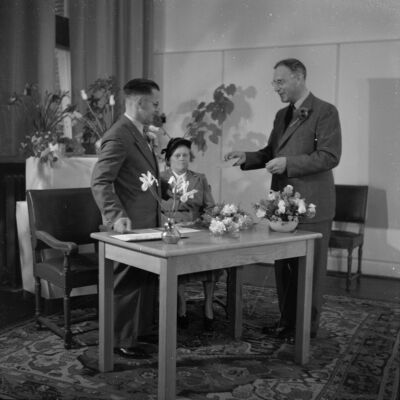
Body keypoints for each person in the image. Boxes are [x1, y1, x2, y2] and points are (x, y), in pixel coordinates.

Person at [224, 58, 342, 339]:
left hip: (312, 207)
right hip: (282, 207)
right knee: (285, 269)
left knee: (309, 272)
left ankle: (305, 330)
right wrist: (247, 157)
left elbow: (329, 156)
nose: (275, 87)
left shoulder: (325, 111)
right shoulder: (281, 115)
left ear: (299, 78)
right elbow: (271, 153)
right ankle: (287, 323)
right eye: (274, 82)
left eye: (280, 81)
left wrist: (288, 164)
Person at [91, 78, 161, 358]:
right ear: (141, 103)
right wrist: (115, 216)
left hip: (146, 222)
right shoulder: (119, 134)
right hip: (128, 224)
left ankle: (137, 332)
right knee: (127, 283)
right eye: (154, 104)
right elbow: (100, 181)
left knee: (143, 280)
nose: (157, 109)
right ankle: (120, 339)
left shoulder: (138, 132)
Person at [160, 137, 218, 331]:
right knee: (178, 261)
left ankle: (208, 305)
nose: (182, 159)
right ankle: (182, 305)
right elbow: (155, 208)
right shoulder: (160, 179)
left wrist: (206, 221)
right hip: (170, 230)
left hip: (196, 228)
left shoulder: (199, 178)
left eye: (185, 155)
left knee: (211, 260)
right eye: (177, 155)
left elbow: (210, 207)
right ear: (168, 159)